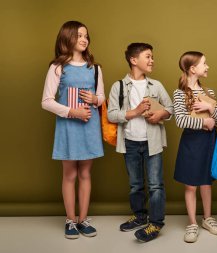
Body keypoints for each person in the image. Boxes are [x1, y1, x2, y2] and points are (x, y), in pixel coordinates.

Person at [41, 21, 104, 239]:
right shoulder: (57, 67)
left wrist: (96, 99)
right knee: (70, 174)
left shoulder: (94, 68)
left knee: (86, 173)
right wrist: (73, 112)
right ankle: (70, 220)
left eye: (86, 36)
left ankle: (83, 219)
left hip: (90, 125)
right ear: (67, 38)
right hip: (69, 126)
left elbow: (102, 97)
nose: (84, 39)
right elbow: (46, 101)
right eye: (79, 35)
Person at [107, 43, 173, 242]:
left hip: (152, 143)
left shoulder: (156, 85)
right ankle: (139, 215)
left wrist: (160, 114)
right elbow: (111, 115)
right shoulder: (118, 86)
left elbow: (170, 108)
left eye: (152, 57)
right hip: (130, 143)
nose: (152, 60)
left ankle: (156, 223)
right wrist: (134, 112)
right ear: (134, 60)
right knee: (135, 185)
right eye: (148, 56)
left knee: (155, 185)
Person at [173, 51, 217, 243]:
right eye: (204, 63)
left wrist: (210, 109)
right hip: (191, 143)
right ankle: (192, 223)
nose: (208, 66)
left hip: (208, 142)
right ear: (193, 69)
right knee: (190, 185)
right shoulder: (179, 93)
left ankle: (207, 218)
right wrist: (204, 123)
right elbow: (180, 120)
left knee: (206, 182)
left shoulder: (209, 93)